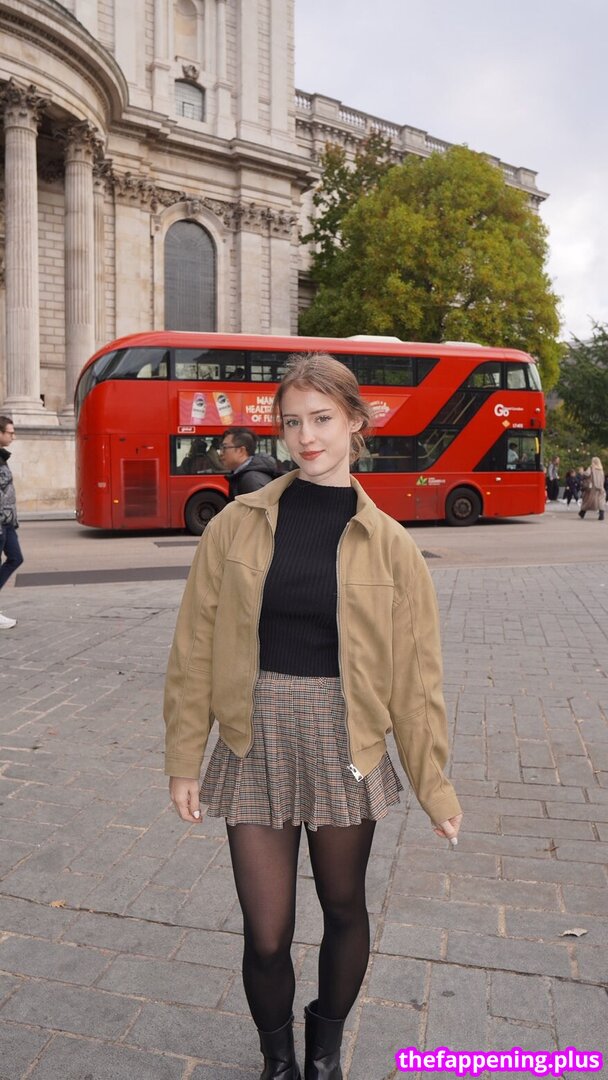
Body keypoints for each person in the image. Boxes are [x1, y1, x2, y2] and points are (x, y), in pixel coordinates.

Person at [164, 354, 463, 1080]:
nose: (306, 436)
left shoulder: (392, 546)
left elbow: (416, 681)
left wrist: (435, 787)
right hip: (254, 735)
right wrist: (183, 758)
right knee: (267, 933)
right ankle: (279, 1062)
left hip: (344, 739)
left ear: (357, 422)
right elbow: (194, 646)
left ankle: (324, 1052)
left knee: (343, 905)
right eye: (292, 421)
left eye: (322, 419)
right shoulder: (235, 525)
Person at [0, 416, 24, 629]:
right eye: (10, 432)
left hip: (7, 521)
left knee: (16, 558)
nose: (13, 436)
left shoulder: (2, 457)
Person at [219, 427, 281, 499]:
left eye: (224, 448)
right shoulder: (242, 475)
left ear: (241, 451)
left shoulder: (251, 480)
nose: (221, 453)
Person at [578, 456, 605, 521]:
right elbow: (603, 479)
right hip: (600, 487)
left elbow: (587, 474)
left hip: (592, 487)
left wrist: (582, 472)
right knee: (600, 501)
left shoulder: (591, 468)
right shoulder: (601, 469)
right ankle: (601, 515)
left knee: (588, 500)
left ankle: (582, 512)